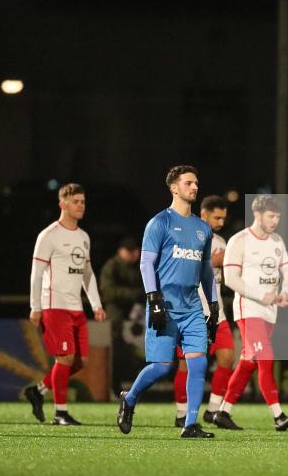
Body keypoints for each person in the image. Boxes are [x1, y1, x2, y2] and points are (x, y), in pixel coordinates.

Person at [116, 165, 218, 438]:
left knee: (198, 362)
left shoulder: (202, 228)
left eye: (196, 183)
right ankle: (130, 398)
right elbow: (146, 262)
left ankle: (190, 424)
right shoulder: (159, 222)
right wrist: (154, 298)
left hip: (192, 306)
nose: (194, 187)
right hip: (165, 304)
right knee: (161, 367)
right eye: (188, 183)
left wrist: (214, 303)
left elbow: (206, 270)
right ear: (174, 187)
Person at [25, 183, 105, 426]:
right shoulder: (48, 235)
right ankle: (60, 413)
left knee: (81, 361)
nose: (80, 205)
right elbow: (36, 274)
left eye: (82, 201)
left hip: (76, 309)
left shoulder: (83, 237)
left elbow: (87, 273)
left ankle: (38, 391)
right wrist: (35, 305)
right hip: (54, 306)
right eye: (75, 201)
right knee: (66, 358)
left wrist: (96, 304)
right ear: (62, 204)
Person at [217, 194, 288, 431]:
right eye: (271, 216)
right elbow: (231, 279)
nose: (274, 221)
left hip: (270, 312)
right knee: (266, 358)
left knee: (248, 363)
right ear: (257, 215)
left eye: (277, 217)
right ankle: (278, 415)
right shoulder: (239, 241)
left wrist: (285, 291)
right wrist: (262, 296)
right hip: (249, 309)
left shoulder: (277, 241)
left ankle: (223, 412)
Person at [170, 195, 236, 428]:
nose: (220, 222)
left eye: (223, 218)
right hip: (191, 310)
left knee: (227, 357)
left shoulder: (222, 242)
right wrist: (211, 263)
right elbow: (179, 266)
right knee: (185, 364)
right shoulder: (188, 235)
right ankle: (181, 414)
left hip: (217, 311)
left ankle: (213, 410)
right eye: (216, 217)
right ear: (204, 214)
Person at [99, 237, 143, 327]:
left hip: (137, 307)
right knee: (114, 314)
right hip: (117, 307)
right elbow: (107, 292)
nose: (132, 253)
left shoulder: (142, 266)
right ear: (120, 251)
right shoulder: (111, 266)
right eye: (128, 250)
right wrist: (130, 293)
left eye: (134, 250)